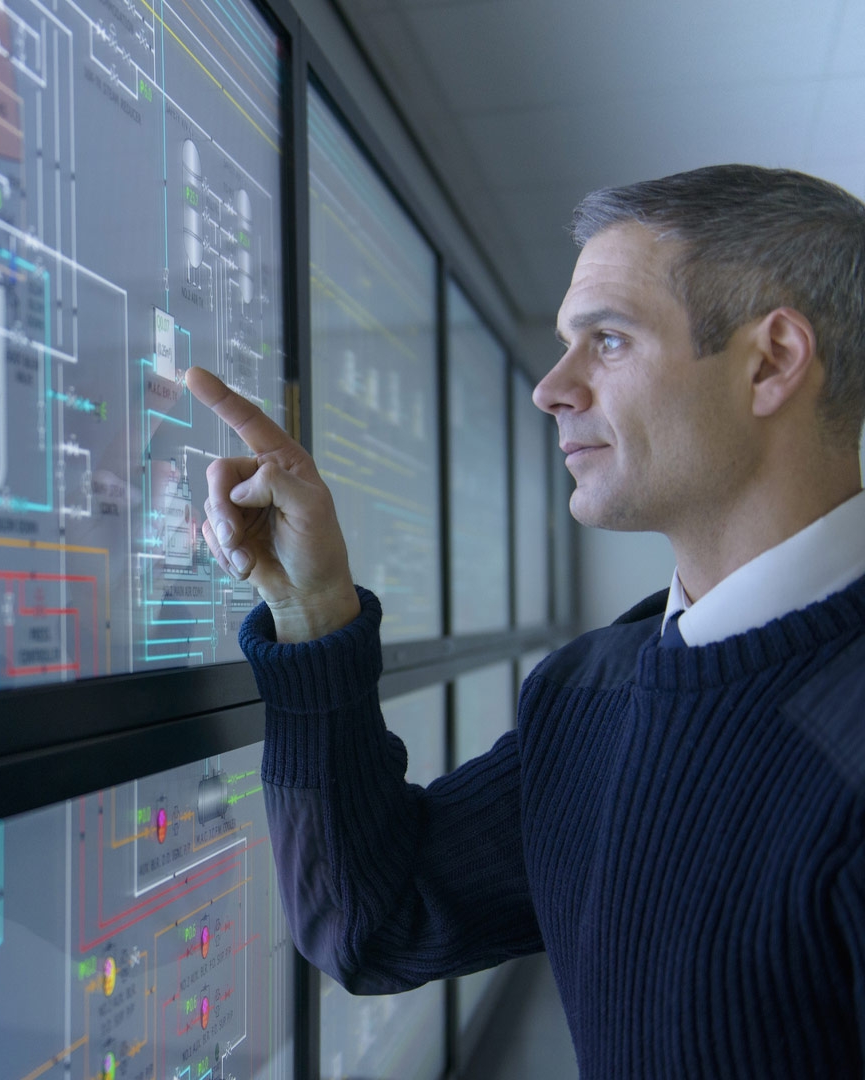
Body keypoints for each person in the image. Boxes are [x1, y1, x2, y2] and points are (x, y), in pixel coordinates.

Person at [184, 164, 865, 1079]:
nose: (551, 388)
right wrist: (313, 608)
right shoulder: (592, 689)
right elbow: (371, 924)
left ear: (772, 361)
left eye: (609, 340)